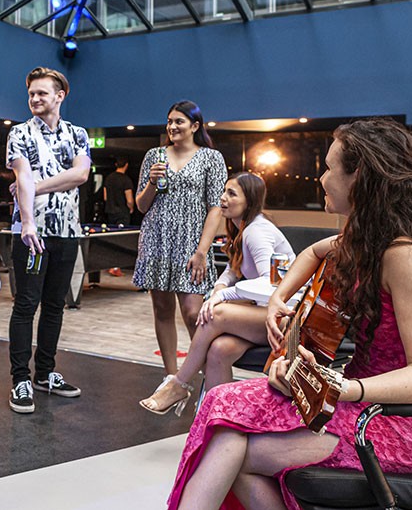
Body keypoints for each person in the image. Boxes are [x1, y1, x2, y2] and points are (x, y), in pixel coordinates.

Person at [167, 118, 412, 510]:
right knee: (222, 407)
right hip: (367, 404)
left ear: (360, 177)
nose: (321, 178)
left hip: (407, 425)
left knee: (226, 439)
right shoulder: (368, 239)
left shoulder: (406, 256)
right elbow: (313, 253)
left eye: (330, 168)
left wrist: (343, 388)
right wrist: (280, 298)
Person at [139, 172, 294, 415]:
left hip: (288, 319)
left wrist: (222, 297)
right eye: (224, 191)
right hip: (264, 316)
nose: (223, 198)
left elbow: (271, 285)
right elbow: (232, 270)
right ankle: (215, 425)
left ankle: (179, 384)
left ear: (249, 201)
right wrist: (220, 289)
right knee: (218, 350)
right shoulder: (240, 228)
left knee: (215, 313)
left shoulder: (257, 231)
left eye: (232, 194)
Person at [6, 66, 90, 414]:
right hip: (32, 233)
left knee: (56, 305)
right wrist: (27, 221)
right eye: (31, 94)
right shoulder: (19, 133)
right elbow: (22, 174)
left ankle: (45, 373)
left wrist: (34, 187)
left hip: (68, 232)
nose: (35, 99)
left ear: (60, 96)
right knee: (26, 305)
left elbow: (81, 173)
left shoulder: (77, 133)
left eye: (42, 93)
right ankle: (20, 380)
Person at [133, 100, 226, 377]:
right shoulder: (154, 155)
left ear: (195, 126)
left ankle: (204, 373)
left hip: (191, 243)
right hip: (156, 239)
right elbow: (141, 205)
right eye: (170, 121)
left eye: (179, 121)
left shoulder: (212, 158)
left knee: (191, 312)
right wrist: (151, 182)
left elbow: (215, 208)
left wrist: (201, 251)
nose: (172, 126)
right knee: (162, 309)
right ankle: (171, 377)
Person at [103, 157, 135, 276]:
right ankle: (116, 267)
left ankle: (110, 264)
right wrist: (131, 208)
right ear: (126, 165)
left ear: (116, 164)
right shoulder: (126, 180)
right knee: (121, 240)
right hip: (122, 212)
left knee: (111, 238)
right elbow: (129, 198)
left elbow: (105, 197)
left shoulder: (109, 178)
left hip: (110, 212)